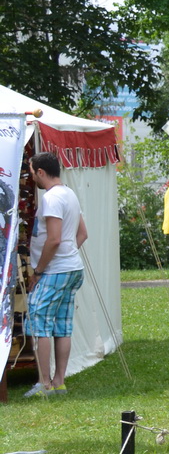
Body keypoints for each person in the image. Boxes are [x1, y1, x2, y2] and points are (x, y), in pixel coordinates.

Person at [22, 152, 86, 398]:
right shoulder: (69, 193)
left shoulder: (51, 198)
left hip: (54, 270)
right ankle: (59, 382)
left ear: (40, 172)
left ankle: (44, 383)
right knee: (62, 325)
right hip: (72, 268)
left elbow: (54, 239)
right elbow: (82, 234)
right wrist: (68, 256)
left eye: (31, 171)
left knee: (40, 324)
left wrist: (38, 271)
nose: (31, 177)